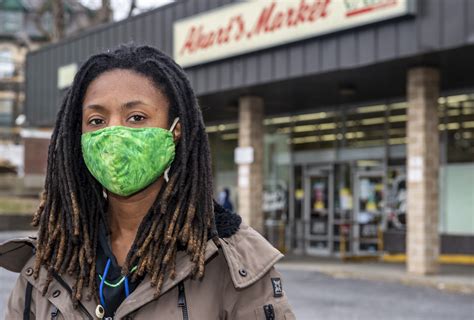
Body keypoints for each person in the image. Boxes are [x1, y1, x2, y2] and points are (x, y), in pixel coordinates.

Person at [0, 44, 294, 319]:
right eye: (97, 121)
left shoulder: (236, 265)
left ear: (176, 130)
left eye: (136, 117)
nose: (114, 135)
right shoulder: (46, 263)